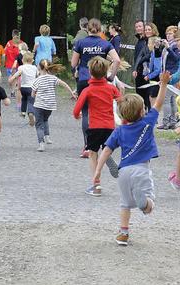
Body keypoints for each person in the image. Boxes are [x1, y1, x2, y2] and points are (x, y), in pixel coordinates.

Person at [93, 73, 171, 246]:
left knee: (125, 204)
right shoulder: (148, 122)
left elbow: (106, 150)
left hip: (123, 172)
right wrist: (164, 84)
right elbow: (159, 103)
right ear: (143, 111)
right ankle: (145, 204)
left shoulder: (119, 131)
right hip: (141, 169)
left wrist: (98, 171)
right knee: (149, 204)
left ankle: (123, 233)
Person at [72, 18, 122, 159]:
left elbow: (73, 62)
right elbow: (117, 60)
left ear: (87, 29)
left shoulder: (80, 43)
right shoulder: (105, 43)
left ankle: (87, 146)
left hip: (84, 79)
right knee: (103, 109)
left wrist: (76, 70)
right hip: (102, 80)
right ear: (100, 30)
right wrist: (112, 76)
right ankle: (106, 145)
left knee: (86, 112)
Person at [73, 57, 123, 196]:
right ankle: (106, 157)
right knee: (106, 148)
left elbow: (77, 109)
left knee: (92, 153)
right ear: (106, 71)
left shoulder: (88, 90)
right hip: (109, 126)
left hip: (94, 126)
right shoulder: (111, 88)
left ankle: (96, 185)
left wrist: (77, 115)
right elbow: (121, 101)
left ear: (90, 72)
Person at [31, 60, 77, 151]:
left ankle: (41, 144)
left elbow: (32, 94)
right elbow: (64, 84)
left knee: (39, 124)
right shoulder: (53, 78)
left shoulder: (37, 80)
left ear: (39, 67)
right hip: (50, 106)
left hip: (39, 105)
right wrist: (72, 93)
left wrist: (36, 95)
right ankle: (47, 137)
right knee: (45, 120)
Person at [9, 52, 39, 124]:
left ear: (23, 60)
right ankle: (31, 113)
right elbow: (38, 76)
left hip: (23, 88)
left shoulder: (21, 67)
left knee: (24, 99)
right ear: (32, 60)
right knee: (31, 101)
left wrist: (11, 78)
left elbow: (17, 74)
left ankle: (23, 112)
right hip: (31, 88)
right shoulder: (34, 68)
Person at [133, 22, 155, 108]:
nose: (138, 28)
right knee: (140, 93)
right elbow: (139, 56)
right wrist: (135, 68)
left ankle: (149, 114)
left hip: (149, 71)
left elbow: (148, 55)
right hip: (140, 70)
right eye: (136, 27)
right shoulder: (141, 41)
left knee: (148, 94)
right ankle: (142, 112)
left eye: (140, 26)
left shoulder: (153, 40)